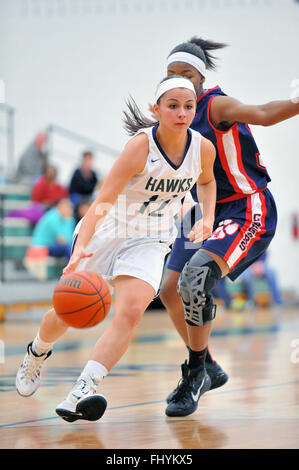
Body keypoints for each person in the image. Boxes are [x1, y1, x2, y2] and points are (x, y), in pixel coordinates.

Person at [15, 76, 217, 423]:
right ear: (157, 110)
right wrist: (79, 248)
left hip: (150, 240)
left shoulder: (202, 148)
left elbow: (207, 181)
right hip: (110, 228)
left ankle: (85, 388)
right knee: (68, 311)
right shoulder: (140, 148)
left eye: (189, 106)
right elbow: (102, 201)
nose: (182, 113)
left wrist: (208, 216)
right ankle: (36, 352)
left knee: (130, 313)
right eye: (173, 106)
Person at [154, 36, 299, 418]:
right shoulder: (174, 111)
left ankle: (196, 372)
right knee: (169, 288)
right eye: (172, 74)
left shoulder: (214, 104)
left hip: (245, 207)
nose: (179, 79)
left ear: (201, 76)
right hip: (204, 209)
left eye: (186, 73)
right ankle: (209, 366)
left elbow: (263, 112)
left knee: (196, 277)